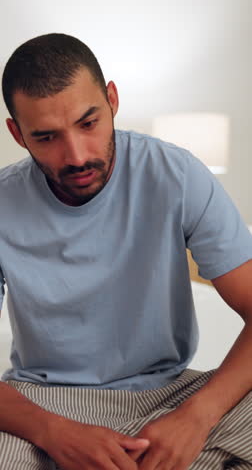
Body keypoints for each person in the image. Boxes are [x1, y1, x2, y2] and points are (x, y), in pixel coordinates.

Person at [0, 33, 251, 470]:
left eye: (88, 123)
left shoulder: (178, 174)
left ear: (112, 99)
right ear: (17, 134)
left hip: (171, 393)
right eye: (47, 137)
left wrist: (196, 416)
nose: (76, 155)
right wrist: (50, 431)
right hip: (44, 401)